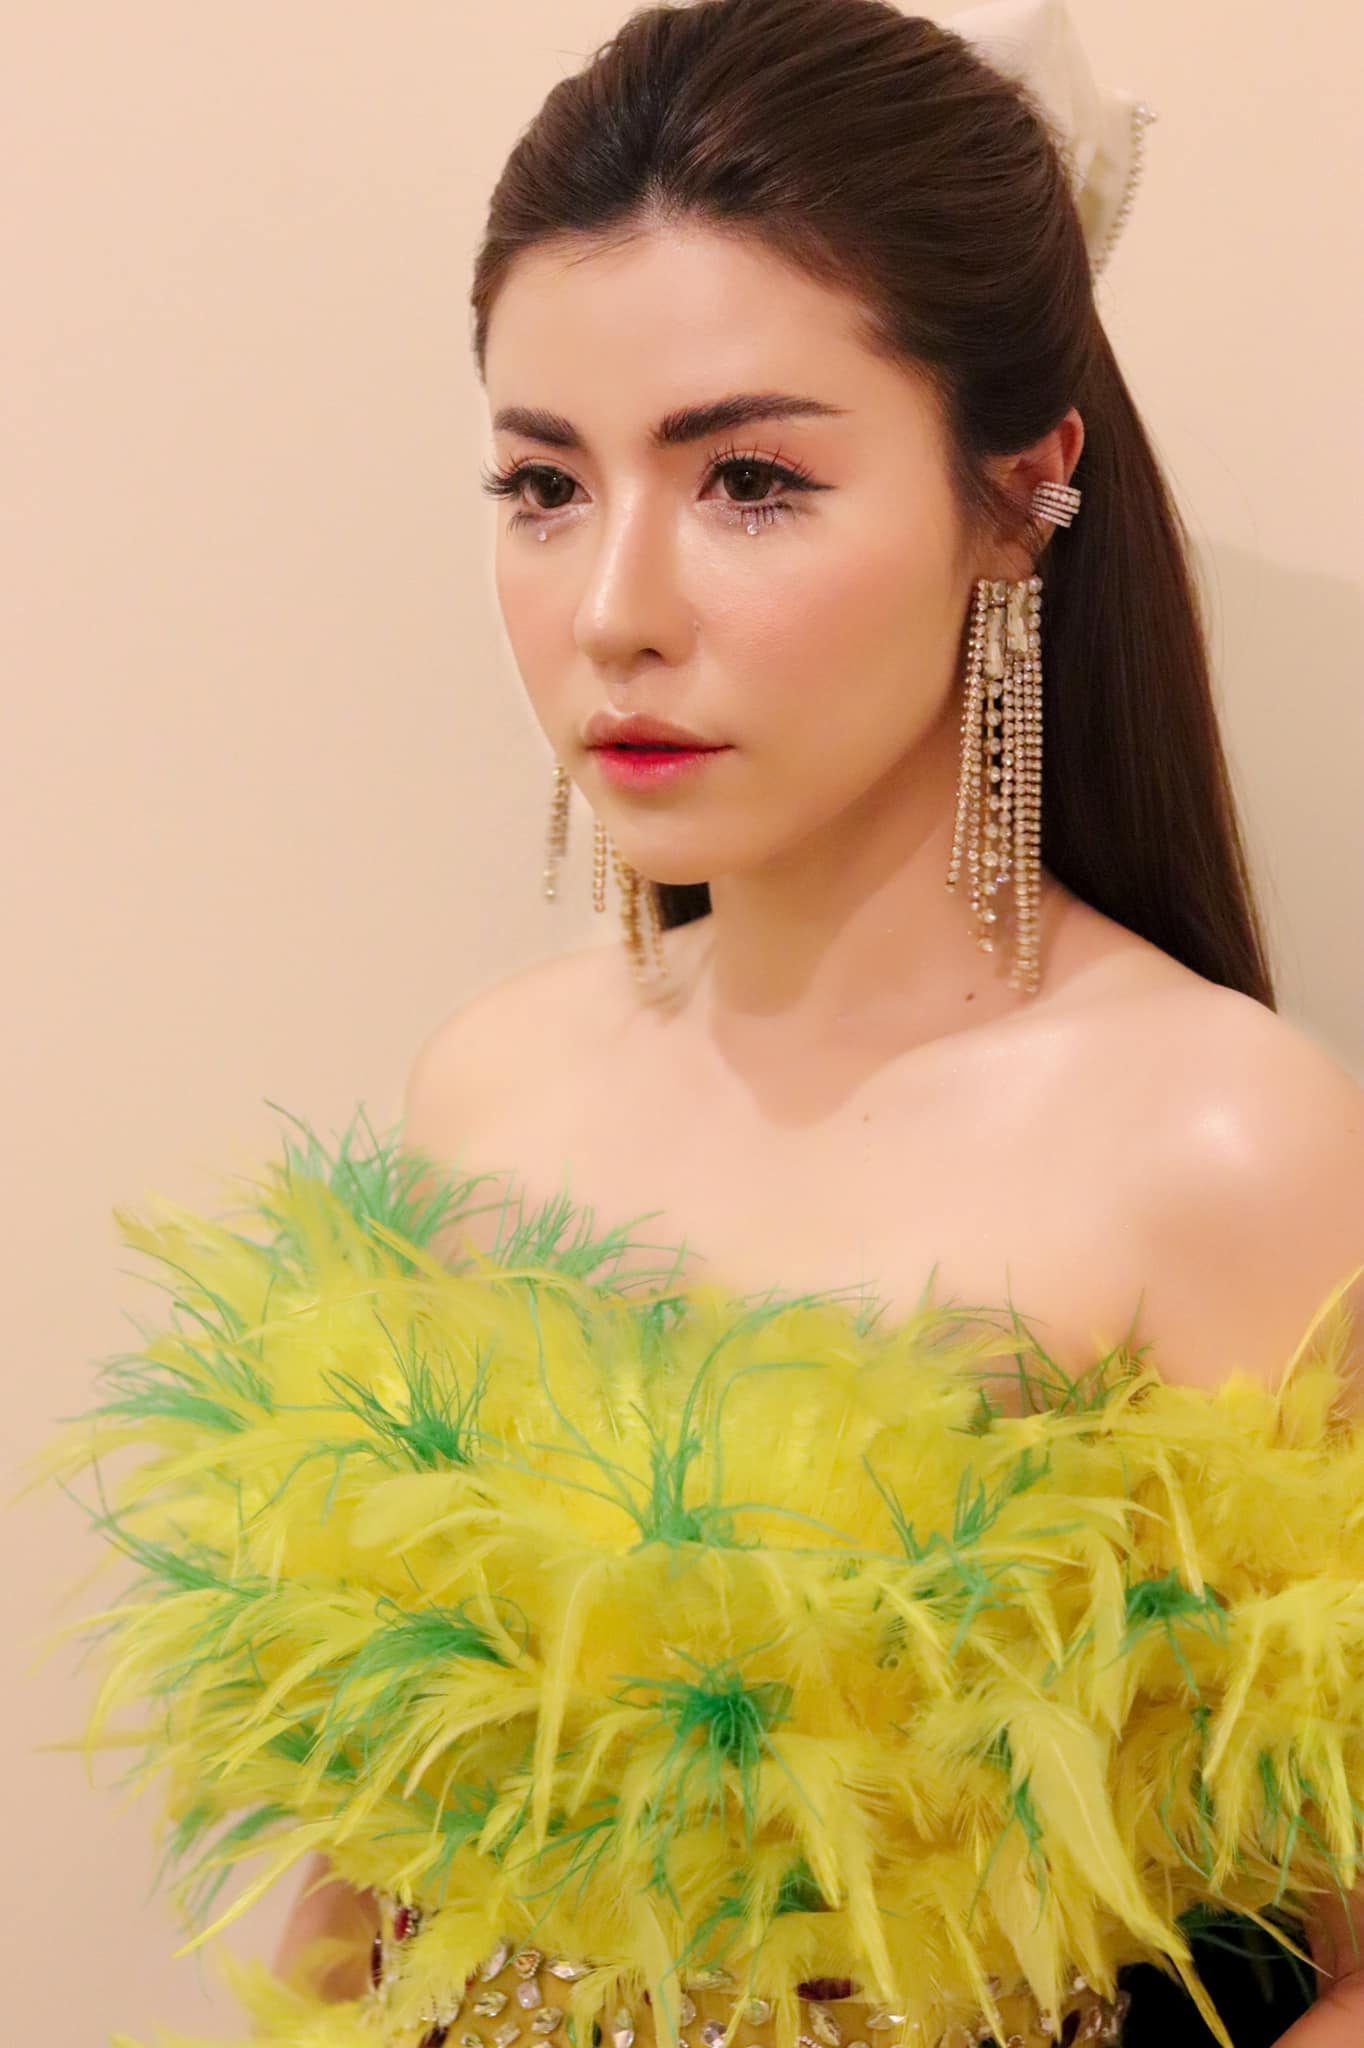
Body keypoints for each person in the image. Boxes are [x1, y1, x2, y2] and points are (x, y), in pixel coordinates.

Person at [36, 3, 1364, 2047]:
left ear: (1020, 490)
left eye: (749, 477)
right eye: (541, 484)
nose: (613, 609)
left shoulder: (1221, 1151)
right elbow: (372, 1861)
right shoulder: (486, 1094)